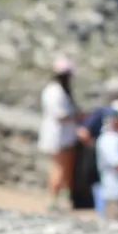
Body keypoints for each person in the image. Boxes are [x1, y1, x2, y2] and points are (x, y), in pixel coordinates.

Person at [74, 79, 118, 212]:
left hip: (111, 158)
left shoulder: (106, 111)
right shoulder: (103, 112)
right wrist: (95, 145)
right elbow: (82, 133)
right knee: (101, 186)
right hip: (103, 157)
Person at [37, 56, 80, 212]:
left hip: (65, 135)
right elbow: (60, 115)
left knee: (65, 167)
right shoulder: (53, 92)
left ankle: (64, 197)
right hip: (57, 136)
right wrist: (75, 116)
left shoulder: (60, 91)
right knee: (59, 168)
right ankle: (52, 199)